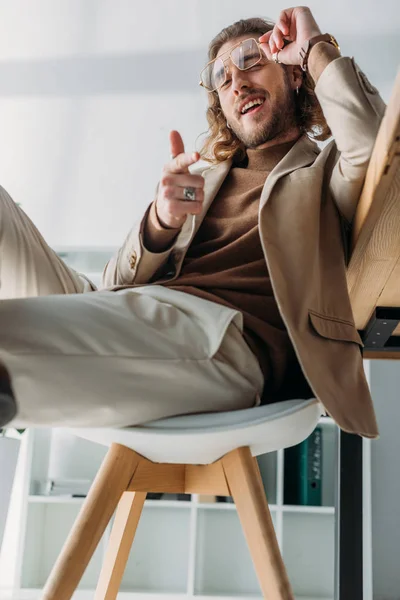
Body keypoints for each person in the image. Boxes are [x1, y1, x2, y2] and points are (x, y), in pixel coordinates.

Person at [0, 7, 385, 437]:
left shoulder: (325, 172)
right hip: (129, 312)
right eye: (222, 78)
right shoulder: (201, 179)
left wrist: (314, 46)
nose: (236, 81)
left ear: (294, 74)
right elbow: (111, 284)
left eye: (251, 61)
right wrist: (160, 224)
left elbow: (375, 146)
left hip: (220, 340)